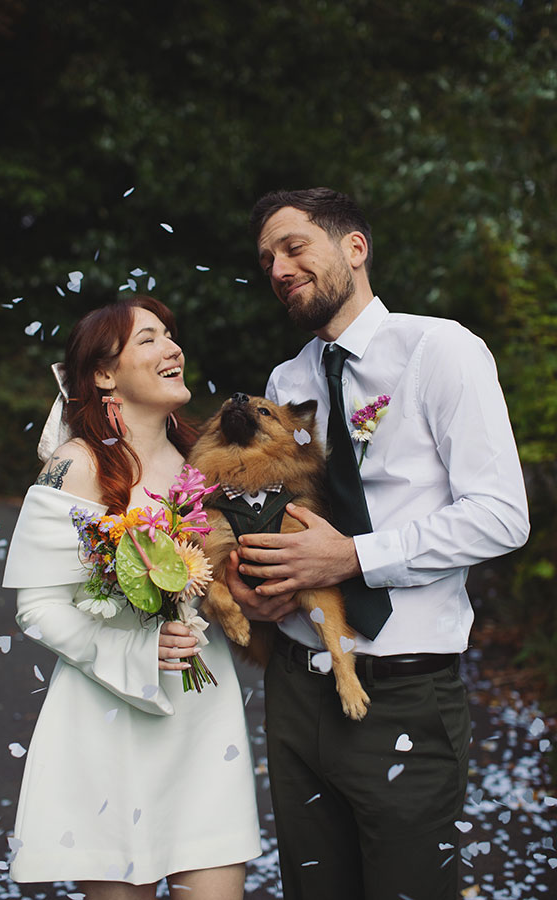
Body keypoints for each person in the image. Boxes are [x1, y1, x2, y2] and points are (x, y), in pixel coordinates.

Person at [225, 188, 530, 900]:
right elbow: (280, 521)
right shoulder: (287, 381)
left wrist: (356, 556)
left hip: (403, 693)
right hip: (297, 689)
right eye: (267, 258)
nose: (278, 268)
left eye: (294, 247)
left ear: (354, 248)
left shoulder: (441, 349)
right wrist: (260, 585)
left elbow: (500, 514)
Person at [3, 295, 261, 900]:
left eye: (170, 336)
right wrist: (138, 650)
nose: (172, 348)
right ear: (103, 373)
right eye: (149, 339)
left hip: (202, 716)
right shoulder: (78, 465)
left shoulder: (208, 463)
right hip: (107, 717)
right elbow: (37, 605)